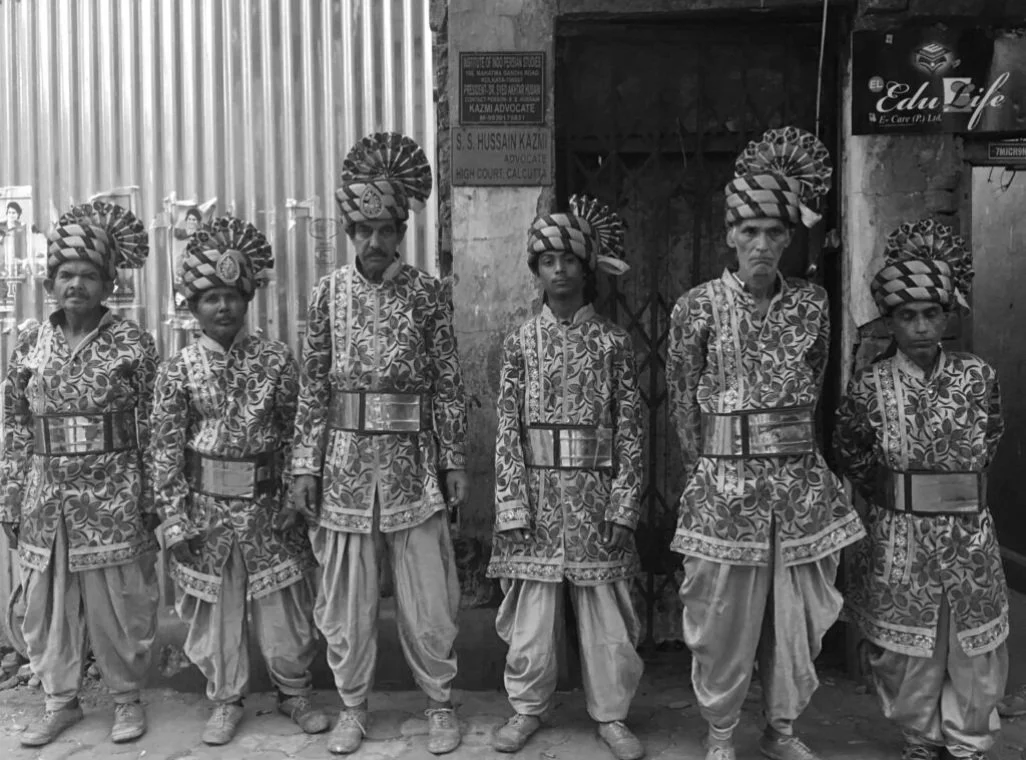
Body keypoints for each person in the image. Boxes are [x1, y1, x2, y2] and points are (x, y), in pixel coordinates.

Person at [666, 126, 864, 760]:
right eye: (748, 231)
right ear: (729, 235)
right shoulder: (695, 307)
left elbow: (817, 385)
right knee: (722, 620)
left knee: (796, 619)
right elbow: (680, 396)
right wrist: (706, 467)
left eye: (774, 232)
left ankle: (781, 730)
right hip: (723, 489)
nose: (761, 244)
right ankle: (721, 731)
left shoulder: (813, 306)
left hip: (800, 491)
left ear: (789, 238)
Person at [291, 131, 468, 756]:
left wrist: (453, 461)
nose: (373, 242)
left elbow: (448, 382)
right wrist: (303, 464)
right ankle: (353, 706)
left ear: (402, 229)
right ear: (348, 230)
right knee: (346, 599)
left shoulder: (426, 294)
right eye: (361, 229)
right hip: (341, 466)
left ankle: (440, 703)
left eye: (385, 228)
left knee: (429, 596)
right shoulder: (326, 295)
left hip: (412, 467)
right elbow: (313, 386)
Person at [149, 215, 329, 745]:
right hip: (207, 517)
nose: (223, 306)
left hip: (271, 511)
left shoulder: (276, 360)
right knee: (216, 621)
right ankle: (226, 700)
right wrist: (173, 517)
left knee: (284, 618)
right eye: (210, 298)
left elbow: (302, 427)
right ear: (193, 307)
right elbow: (164, 449)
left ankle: (294, 692)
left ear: (247, 299)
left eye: (232, 295)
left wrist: (302, 485)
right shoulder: (176, 370)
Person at [834, 218, 1008, 760]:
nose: (921, 326)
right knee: (904, 650)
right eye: (907, 316)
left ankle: (969, 740)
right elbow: (850, 450)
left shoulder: (979, 377)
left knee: (973, 645)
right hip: (900, 535)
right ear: (890, 322)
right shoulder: (869, 384)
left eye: (931, 313)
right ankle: (919, 738)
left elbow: (992, 435)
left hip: (968, 535)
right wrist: (892, 496)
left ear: (947, 316)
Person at [487, 196, 645, 760]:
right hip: (535, 500)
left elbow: (630, 429)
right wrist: (511, 503)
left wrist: (624, 504)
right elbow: (507, 426)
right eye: (547, 261)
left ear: (586, 268)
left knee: (606, 622)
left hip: (594, 499)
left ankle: (612, 716)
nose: (559, 270)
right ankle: (527, 709)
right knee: (532, 621)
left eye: (568, 260)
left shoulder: (613, 344)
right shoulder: (519, 343)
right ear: (536, 270)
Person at [0, 200, 160, 747]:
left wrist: (153, 495)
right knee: (48, 604)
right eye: (66, 274)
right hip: (46, 499)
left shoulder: (134, 344)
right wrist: (10, 494)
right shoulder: (28, 344)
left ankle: (126, 700)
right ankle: (59, 701)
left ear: (108, 282)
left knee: (119, 602)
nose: (76, 284)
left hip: (114, 494)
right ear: (50, 282)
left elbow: (156, 424)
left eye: (89, 274)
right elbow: (16, 424)